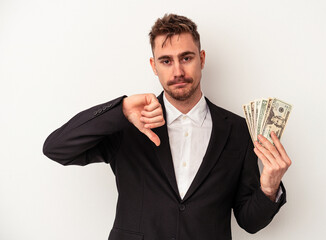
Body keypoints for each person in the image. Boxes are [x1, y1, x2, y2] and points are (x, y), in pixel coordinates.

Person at [43, 13, 291, 240]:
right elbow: (57, 148)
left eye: (186, 57)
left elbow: (249, 221)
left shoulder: (237, 131)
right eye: (166, 61)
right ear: (153, 66)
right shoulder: (127, 125)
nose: (178, 71)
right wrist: (121, 109)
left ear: (201, 59)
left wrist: (269, 189)